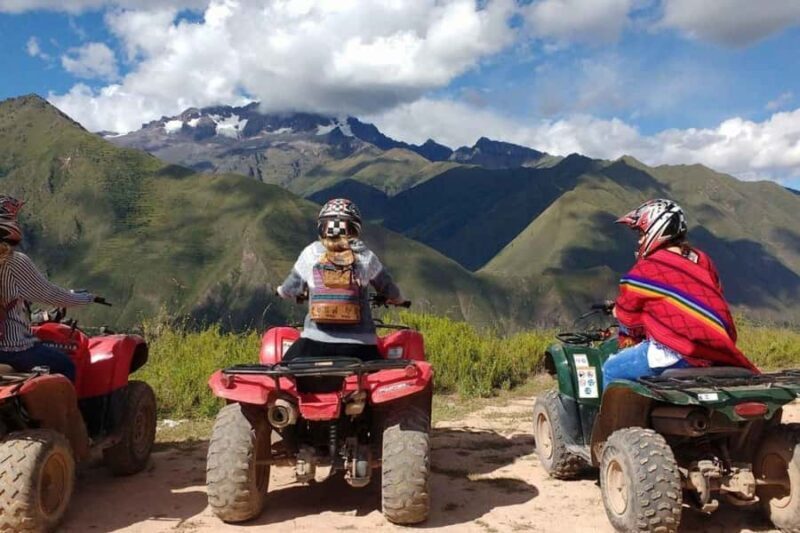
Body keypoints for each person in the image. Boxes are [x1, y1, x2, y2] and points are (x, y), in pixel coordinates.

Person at [602, 199, 758, 389]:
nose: (639, 240)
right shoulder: (701, 259)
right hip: (714, 349)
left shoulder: (648, 268)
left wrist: (617, 312)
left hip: (674, 352)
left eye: (641, 233)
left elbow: (628, 314)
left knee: (610, 368)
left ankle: (612, 419)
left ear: (657, 229)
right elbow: (713, 297)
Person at [276, 198, 405, 361]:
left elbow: (289, 289)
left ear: (322, 226)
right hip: (360, 346)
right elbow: (388, 288)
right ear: (355, 227)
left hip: (315, 342)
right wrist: (399, 299)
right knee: (381, 374)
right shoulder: (365, 256)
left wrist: (280, 291)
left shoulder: (311, 253)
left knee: (284, 368)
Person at [0, 196, 95, 381]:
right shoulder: (13, 261)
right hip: (12, 349)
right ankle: (69, 410)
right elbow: (50, 294)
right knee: (66, 366)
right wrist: (87, 298)